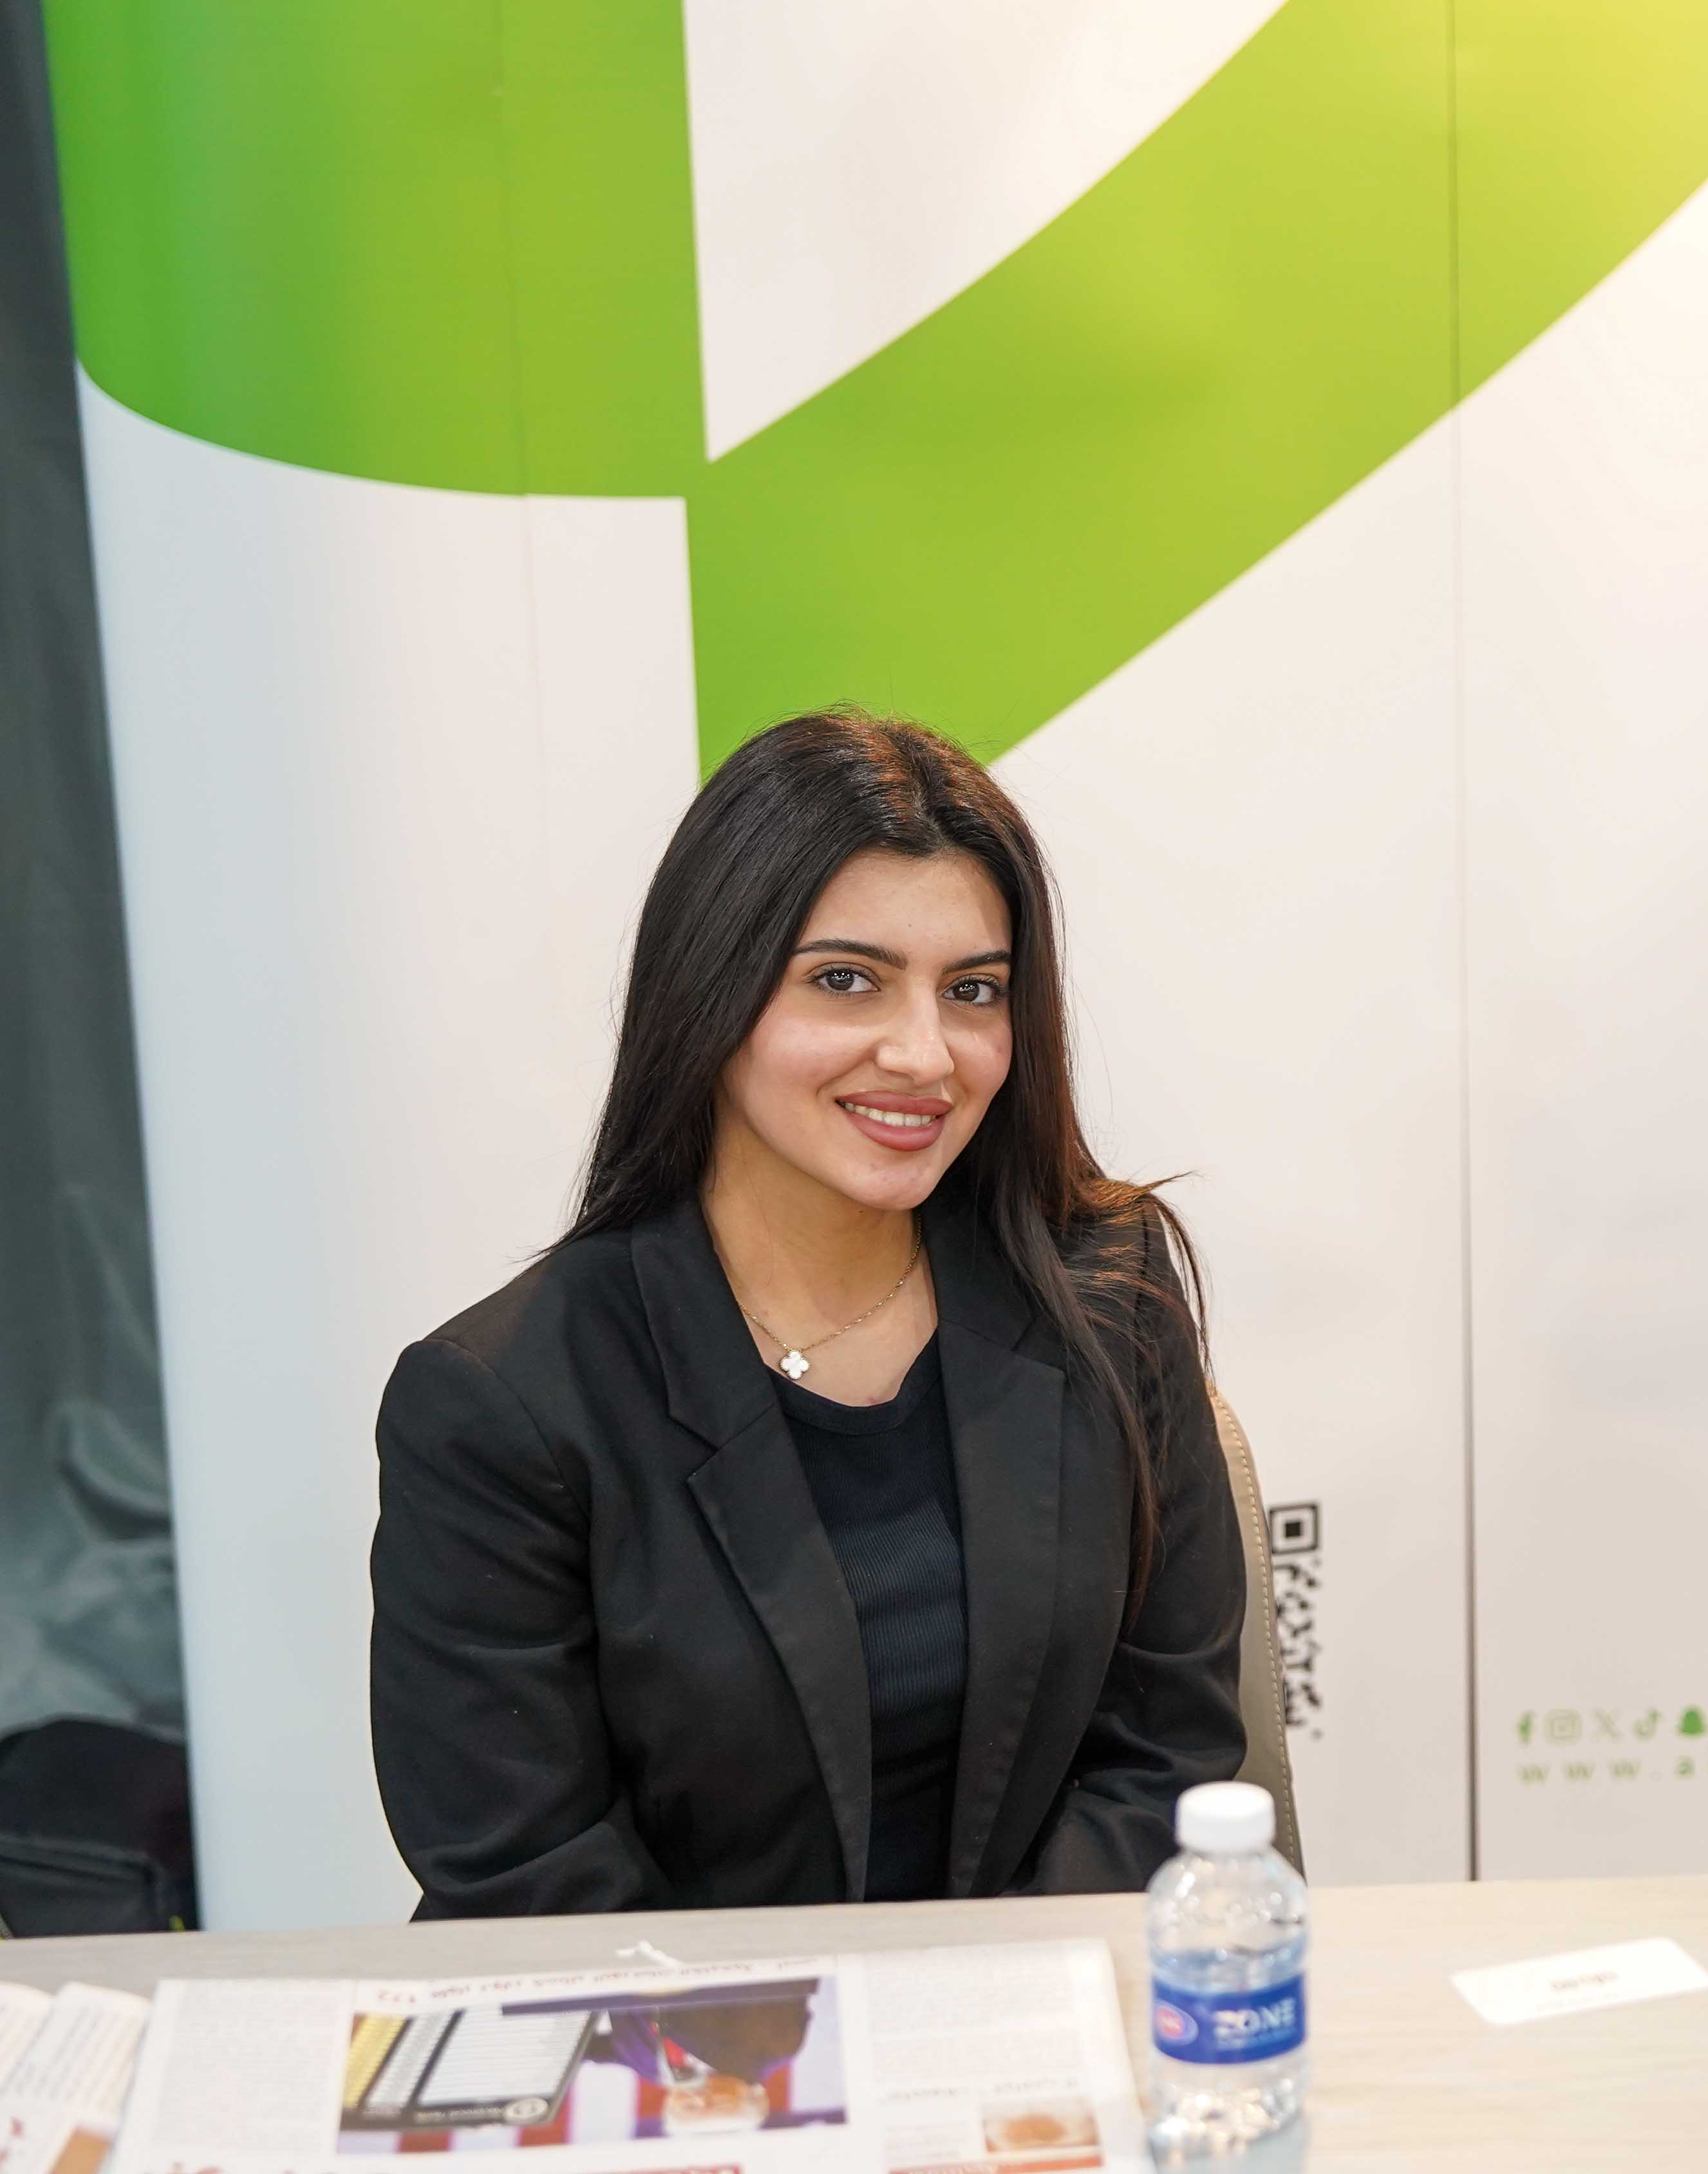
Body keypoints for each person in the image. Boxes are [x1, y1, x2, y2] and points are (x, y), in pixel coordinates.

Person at [370, 710, 1247, 1914]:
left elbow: (1166, 1756)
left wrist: (985, 2010)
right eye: (846, 981)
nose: (925, 1054)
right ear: (710, 992)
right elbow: (524, 1878)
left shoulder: (1105, 1289)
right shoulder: (503, 1404)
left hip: (1046, 2010)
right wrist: (808, 2031)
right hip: (686, 2028)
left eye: (974, 991)